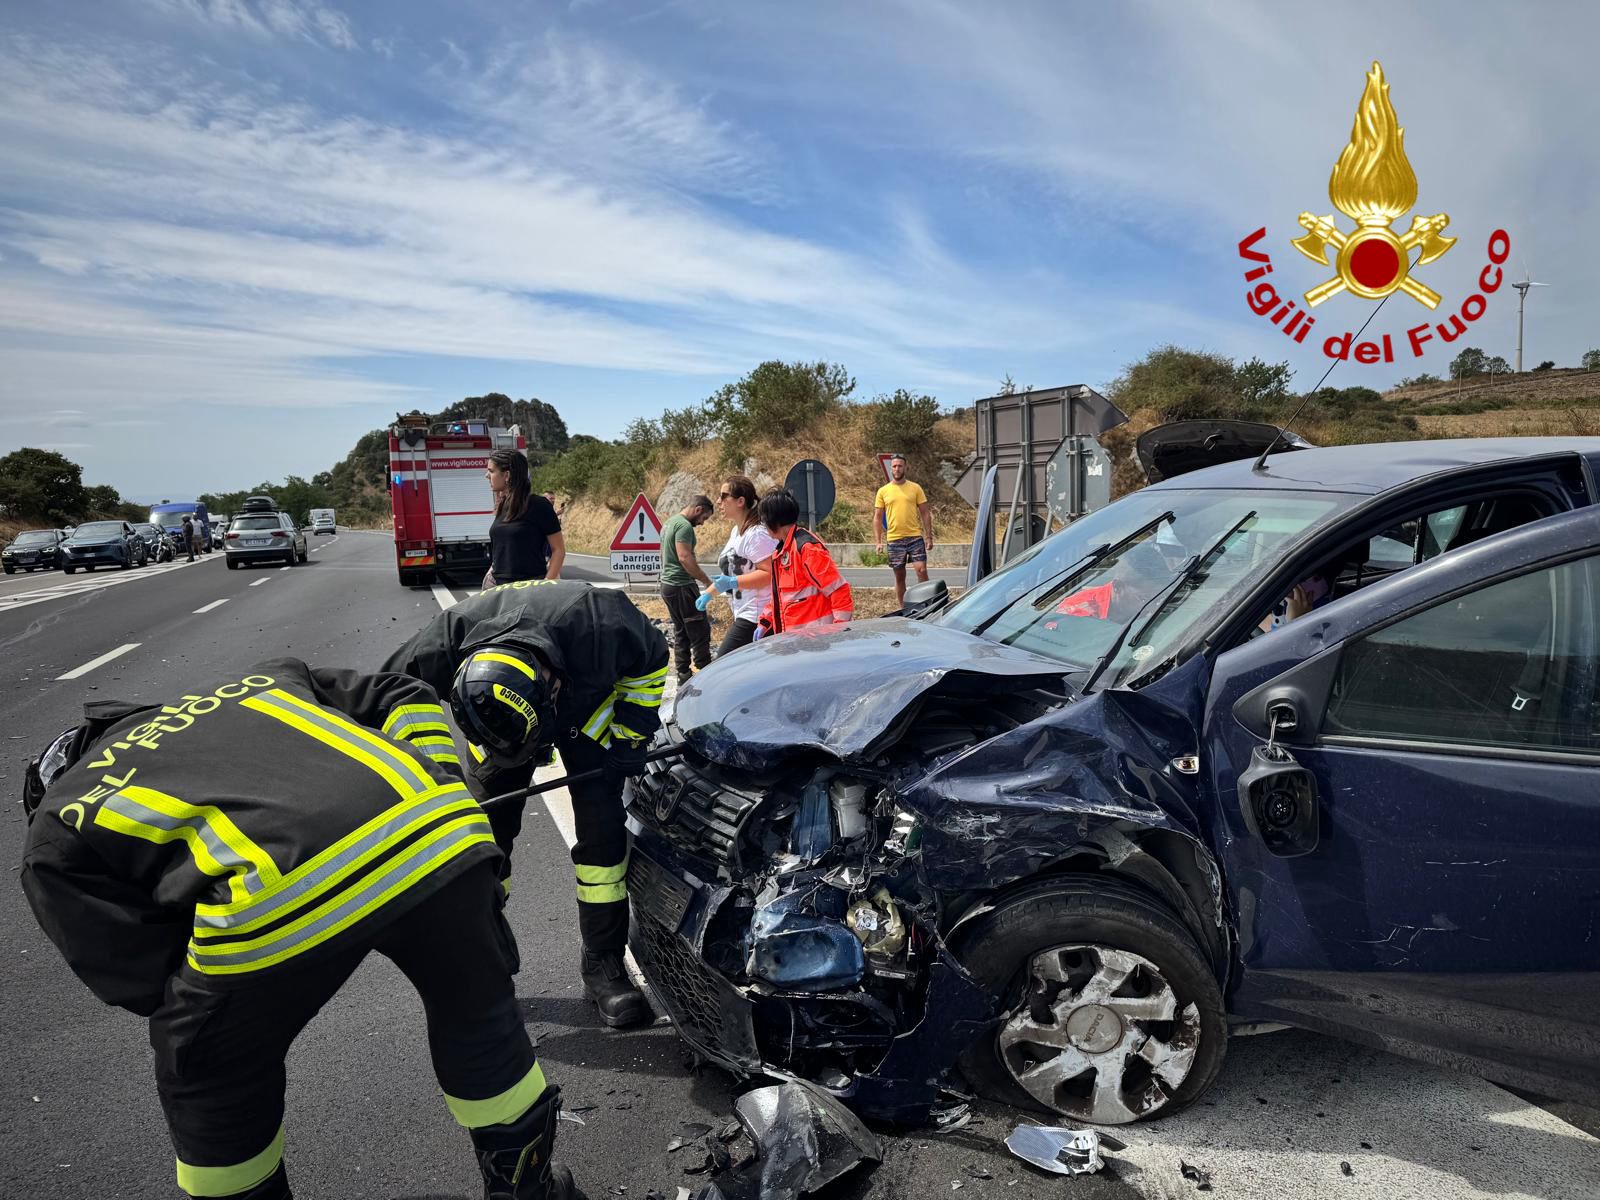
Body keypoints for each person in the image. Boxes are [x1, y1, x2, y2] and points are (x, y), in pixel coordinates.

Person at [19, 659, 581, 1200]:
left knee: (206, 1070)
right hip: (439, 830)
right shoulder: (261, 681)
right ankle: (527, 1187)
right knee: (477, 1012)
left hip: (272, 892)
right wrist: (448, 783)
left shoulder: (57, 823)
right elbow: (401, 692)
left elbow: (140, 975)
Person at [382, 580, 668, 1028]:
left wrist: (631, 735)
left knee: (603, 838)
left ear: (550, 685)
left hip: (585, 712)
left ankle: (603, 966)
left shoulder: (604, 621)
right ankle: (485, 964)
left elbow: (652, 663)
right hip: (500, 735)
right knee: (480, 840)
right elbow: (386, 695)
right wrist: (432, 773)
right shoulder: (445, 639)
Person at [697, 475, 777, 657]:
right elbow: (732, 573)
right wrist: (709, 594)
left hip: (757, 615)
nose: (718, 502)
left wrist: (732, 582)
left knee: (723, 664)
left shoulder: (756, 534)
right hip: (743, 613)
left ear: (740, 501)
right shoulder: (736, 532)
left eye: (724, 496)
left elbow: (769, 574)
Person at [755, 488, 853, 636]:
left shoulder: (807, 549)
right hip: (795, 641)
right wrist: (765, 622)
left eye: (764, 521)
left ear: (773, 521)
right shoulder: (781, 553)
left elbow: (839, 590)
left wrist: (839, 630)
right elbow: (782, 598)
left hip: (818, 641)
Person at [659, 495, 716, 686]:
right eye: (704, 518)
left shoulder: (670, 523)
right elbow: (684, 557)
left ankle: (683, 675)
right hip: (681, 585)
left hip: (668, 585)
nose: (701, 523)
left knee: (681, 630)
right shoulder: (683, 526)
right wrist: (706, 580)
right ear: (698, 509)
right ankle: (705, 674)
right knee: (699, 630)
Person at [485, 449, 563, 587]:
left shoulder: (539, 505)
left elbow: (558, 550)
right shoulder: (503, 505)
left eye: (491, 471)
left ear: (507, 475)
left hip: (530, 589)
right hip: (497, 588)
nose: (487, 476)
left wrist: (546, 585)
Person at [874, 453, 933, 607]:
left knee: (921, 570)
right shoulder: (883, 491)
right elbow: (877, 517)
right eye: (894, 466)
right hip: (894, 539)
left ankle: (926, 605)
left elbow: (925, 512)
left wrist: (929, 537)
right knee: (900, 576)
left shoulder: (915, 488)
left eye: (900, 466)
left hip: (914, 537)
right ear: (891, 468)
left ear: (905, 467)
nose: (897, 469)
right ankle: (903, 608)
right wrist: (878, 542)